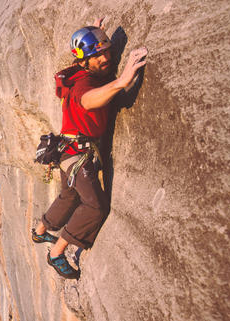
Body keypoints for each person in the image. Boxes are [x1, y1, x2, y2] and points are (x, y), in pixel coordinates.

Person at [31, 18, 148, 279]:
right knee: (95, 207)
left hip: (66, 149)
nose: (106, 58)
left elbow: (82, 66)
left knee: (70, 196)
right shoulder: (85, 84)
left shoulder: (77, 73)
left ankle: (40, 232)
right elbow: (87, 100)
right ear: (85, 61)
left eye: (107, 52)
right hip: (77, 155)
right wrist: (122, 81)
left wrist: (93, 33)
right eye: (98, 56)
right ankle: (57, 253)